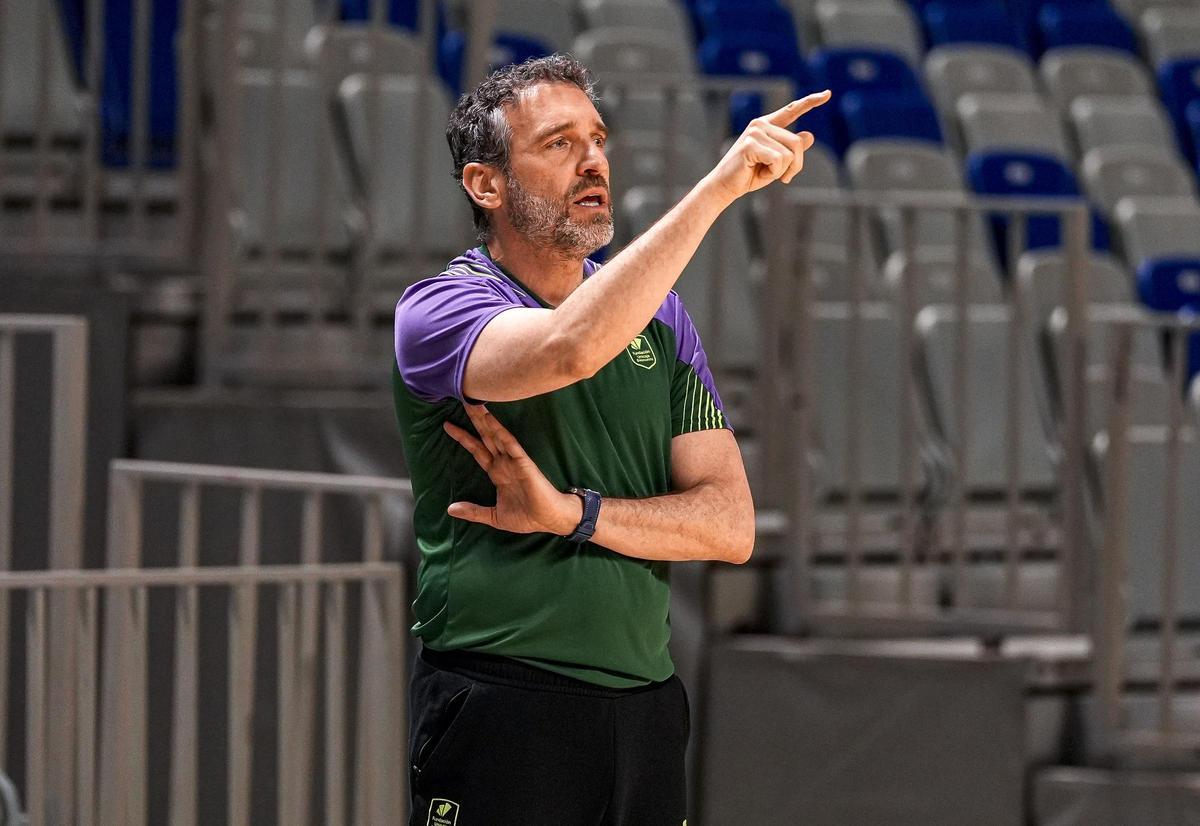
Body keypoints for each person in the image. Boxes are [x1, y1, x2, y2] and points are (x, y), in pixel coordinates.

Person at [392, 54, 829, 825]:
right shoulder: (439, 311)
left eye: (598, 140)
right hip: (502, 702)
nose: (593, 159)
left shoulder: (664, 320)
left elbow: (729, 525)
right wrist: (719, 188)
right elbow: (569, 348)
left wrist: (573, 515)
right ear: (485, 185)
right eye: (558, 144)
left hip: (646, 711)